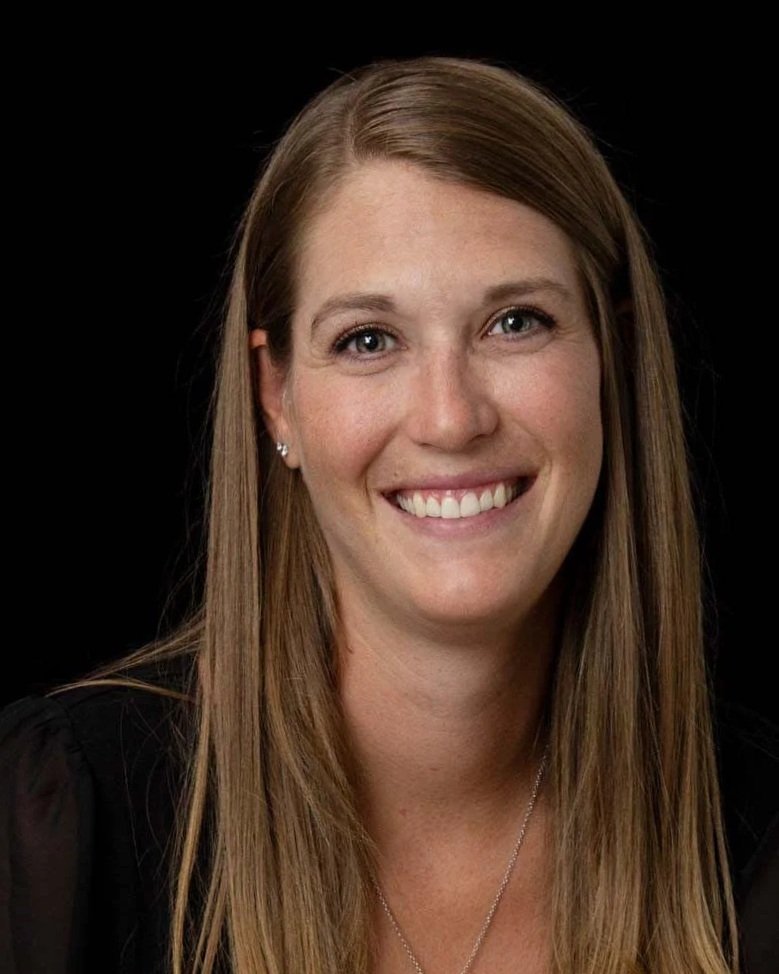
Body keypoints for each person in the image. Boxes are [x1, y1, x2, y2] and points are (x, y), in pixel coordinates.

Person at [0, 54, 776, 974]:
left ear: (612, 355)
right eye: (368, 340)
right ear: (277, 397)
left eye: (515, 322)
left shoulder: (758, 839)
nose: (450, 417)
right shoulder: (58, 820)